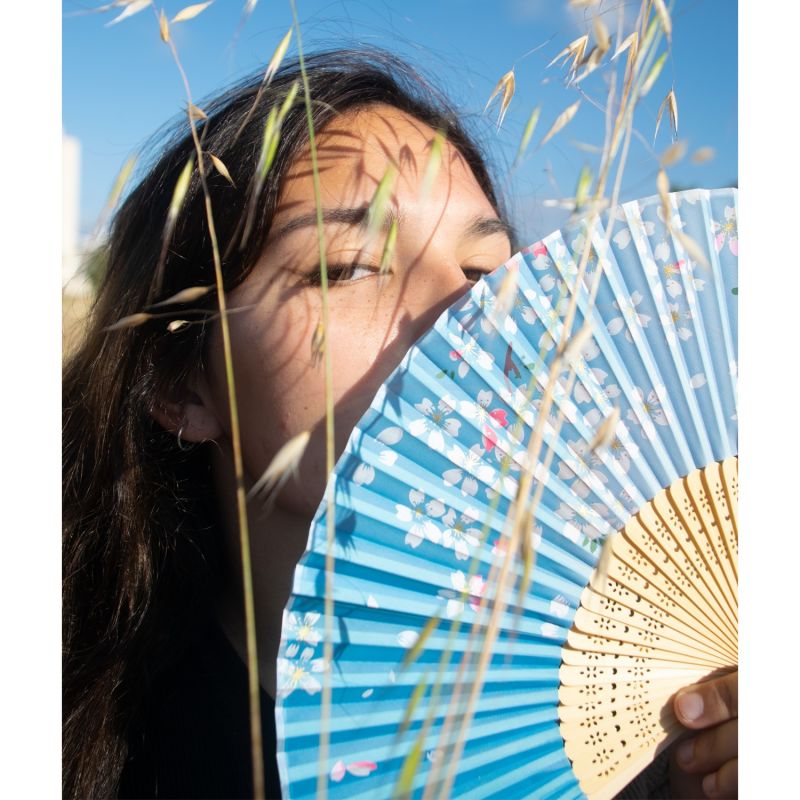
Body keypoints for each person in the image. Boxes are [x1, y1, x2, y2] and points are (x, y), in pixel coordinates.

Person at [62, 48, 737, 800]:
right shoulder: (95, 751)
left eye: (487, 270)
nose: (473, 312)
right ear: (182, 385)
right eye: (347, 266)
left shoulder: (672, 735)